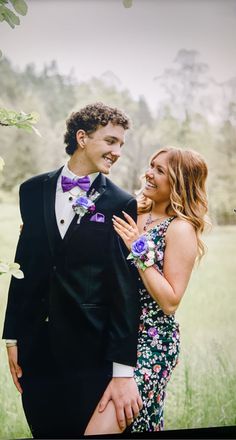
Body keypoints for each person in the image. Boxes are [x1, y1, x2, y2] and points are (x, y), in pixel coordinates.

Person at [2, 102, 143, 438]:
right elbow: (26, 265)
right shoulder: (32, 190)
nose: (117, 152)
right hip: (36, 348)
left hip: (90, 352)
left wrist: (123, 371)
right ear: (82, 137)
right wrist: (11, 335)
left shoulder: (120, 203)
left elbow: (124, 288)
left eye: (121, 144)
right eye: (110, 141)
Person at [85, 146, 209, 434]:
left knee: (101, 428)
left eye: (160, 171)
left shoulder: (179, 229)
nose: (148, 174)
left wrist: (138, 250)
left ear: (179, 182)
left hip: (151, 342)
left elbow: (170, 301)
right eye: (151, 166)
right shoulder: (133, 209)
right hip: (115, 334)